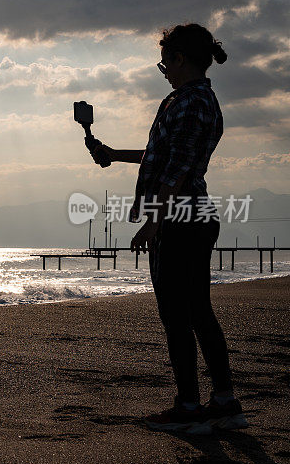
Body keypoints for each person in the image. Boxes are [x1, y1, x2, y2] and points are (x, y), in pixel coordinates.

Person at [92, 23, 246, 433]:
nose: (163, 69)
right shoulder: (196, 101)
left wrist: (153, 221)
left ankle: (189, 409)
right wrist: (113, 154)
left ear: (179, 58)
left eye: (165, 61)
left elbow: (177, 167)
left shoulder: (187, 102)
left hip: (180, 218)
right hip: (192, 214)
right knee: (198, 312)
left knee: (178, 316)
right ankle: (225, 404)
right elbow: (162, 154)